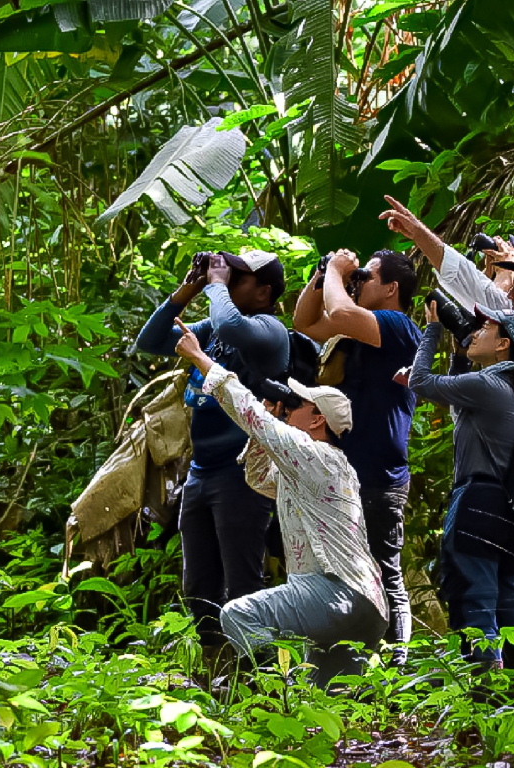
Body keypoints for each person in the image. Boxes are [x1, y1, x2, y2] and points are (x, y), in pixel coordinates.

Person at [380, 196, 514, 647]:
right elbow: (482, 294)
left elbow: (491, 313)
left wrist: (441, 343)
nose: (511, 290)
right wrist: (421, 235)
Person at [172, 318, 388, 688]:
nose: (288, 411)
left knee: (238, 615)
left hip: (335, 590)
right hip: (366, 605)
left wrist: (200, 359)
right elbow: (258, 477)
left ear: (318, 419)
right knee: (331, 702)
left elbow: (250, 416)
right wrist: (270, 424)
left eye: (296, 405)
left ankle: (271, 690)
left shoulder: (315, 455)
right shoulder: (319, 469)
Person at [135, 250, 289, 649]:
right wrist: (190, 287)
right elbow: (149, 341)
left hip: (242, 475)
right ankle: (215, 670)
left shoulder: (269, 330)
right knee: (199, 586)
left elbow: (231, 325)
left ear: (263, 292)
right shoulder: (215, 330)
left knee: (243, 586)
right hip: (202, 472)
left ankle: (261, 679)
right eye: (226, 277)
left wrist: (217, 286)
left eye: (237, 279)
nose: (226, 283)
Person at [292, 248, 421, 663]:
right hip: (347, 470)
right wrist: (321, 277)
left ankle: (397, 665)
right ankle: (359, 660)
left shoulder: (399, 326)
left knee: (385, 569)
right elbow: (305, 322)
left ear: (391, 288)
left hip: (380, 473)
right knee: (349, 572)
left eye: (367, 277)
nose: (359, 282)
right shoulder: (360, 332)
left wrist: (335, 271)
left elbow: (342, 315)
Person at [408, 301, 514, 667]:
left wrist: (433, 328)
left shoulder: (488, 385)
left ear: (503, 344)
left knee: (476, 603)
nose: (476, 331)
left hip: (478, 504)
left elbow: (419, 381)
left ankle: (485, 693)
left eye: (486, 328)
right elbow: (462, 412)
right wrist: (461, 356)